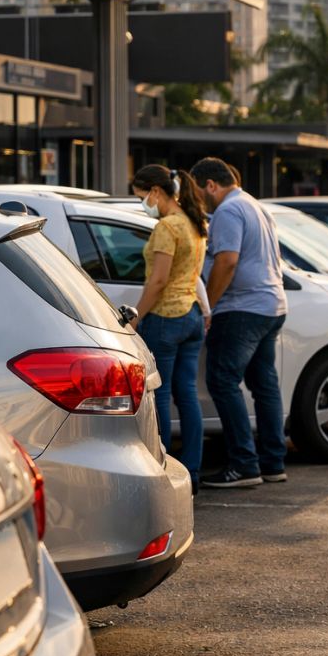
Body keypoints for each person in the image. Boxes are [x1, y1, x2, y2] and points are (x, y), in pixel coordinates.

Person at [191, 157, 290, 488]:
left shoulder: (228, 211)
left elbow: (227, 261)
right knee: (264, 385)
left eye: (198, 190)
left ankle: (244, 465)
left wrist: (210, 306)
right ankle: (273, 463)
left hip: (241, 309)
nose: (198, 198)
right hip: (270, 305)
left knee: (222, 381)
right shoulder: (255, 206)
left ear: (210, 186)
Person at [130, 165, 209, 490]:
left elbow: (158, 280)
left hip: (166, 318)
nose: (142, 203)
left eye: (141, 196)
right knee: (187, 394)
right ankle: (193, 468)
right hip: (191, 313)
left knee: (160, 394)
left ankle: (165, 467)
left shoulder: (167, 227)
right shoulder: (194, 222)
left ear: (157, 192)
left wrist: (135, 317)